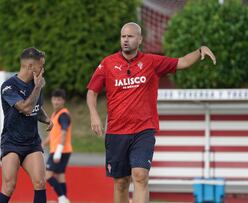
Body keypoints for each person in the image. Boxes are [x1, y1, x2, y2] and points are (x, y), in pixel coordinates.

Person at [86, 22, 216, 203]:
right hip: (116, 131)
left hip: (143, 130)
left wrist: (200, 50)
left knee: (140, 175)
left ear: (139, 39)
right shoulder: (108, 64)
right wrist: (94, 114)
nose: (125, 40)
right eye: (123, 36)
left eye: (130, 36)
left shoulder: (152, 62)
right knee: (121, 182)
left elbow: (182, 62)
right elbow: (92, 91)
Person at [0, 47, 53, 203]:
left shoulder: (36, 84)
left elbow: (35, 107)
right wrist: (38, 86)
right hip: (12, 143)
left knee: (40, 183)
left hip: (32, 143)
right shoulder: (9, 86)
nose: (43, 70)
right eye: (41, 66)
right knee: (8, 187)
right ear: (30, 66)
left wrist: (47, 119)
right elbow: (26, 108)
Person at [43, 89, 72, 203]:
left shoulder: (63, 115)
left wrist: (59, 151)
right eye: (54, 99)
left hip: (60, 151)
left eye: (59, 100)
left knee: (47, 175)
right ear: (51, 99)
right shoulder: (55, 114)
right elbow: (52, 135)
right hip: (60, 150)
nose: (56, 102)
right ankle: (64, 199)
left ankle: (62, 198)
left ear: (63, 101)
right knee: (60, 176)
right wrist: (41, 145)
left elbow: (64, 132)